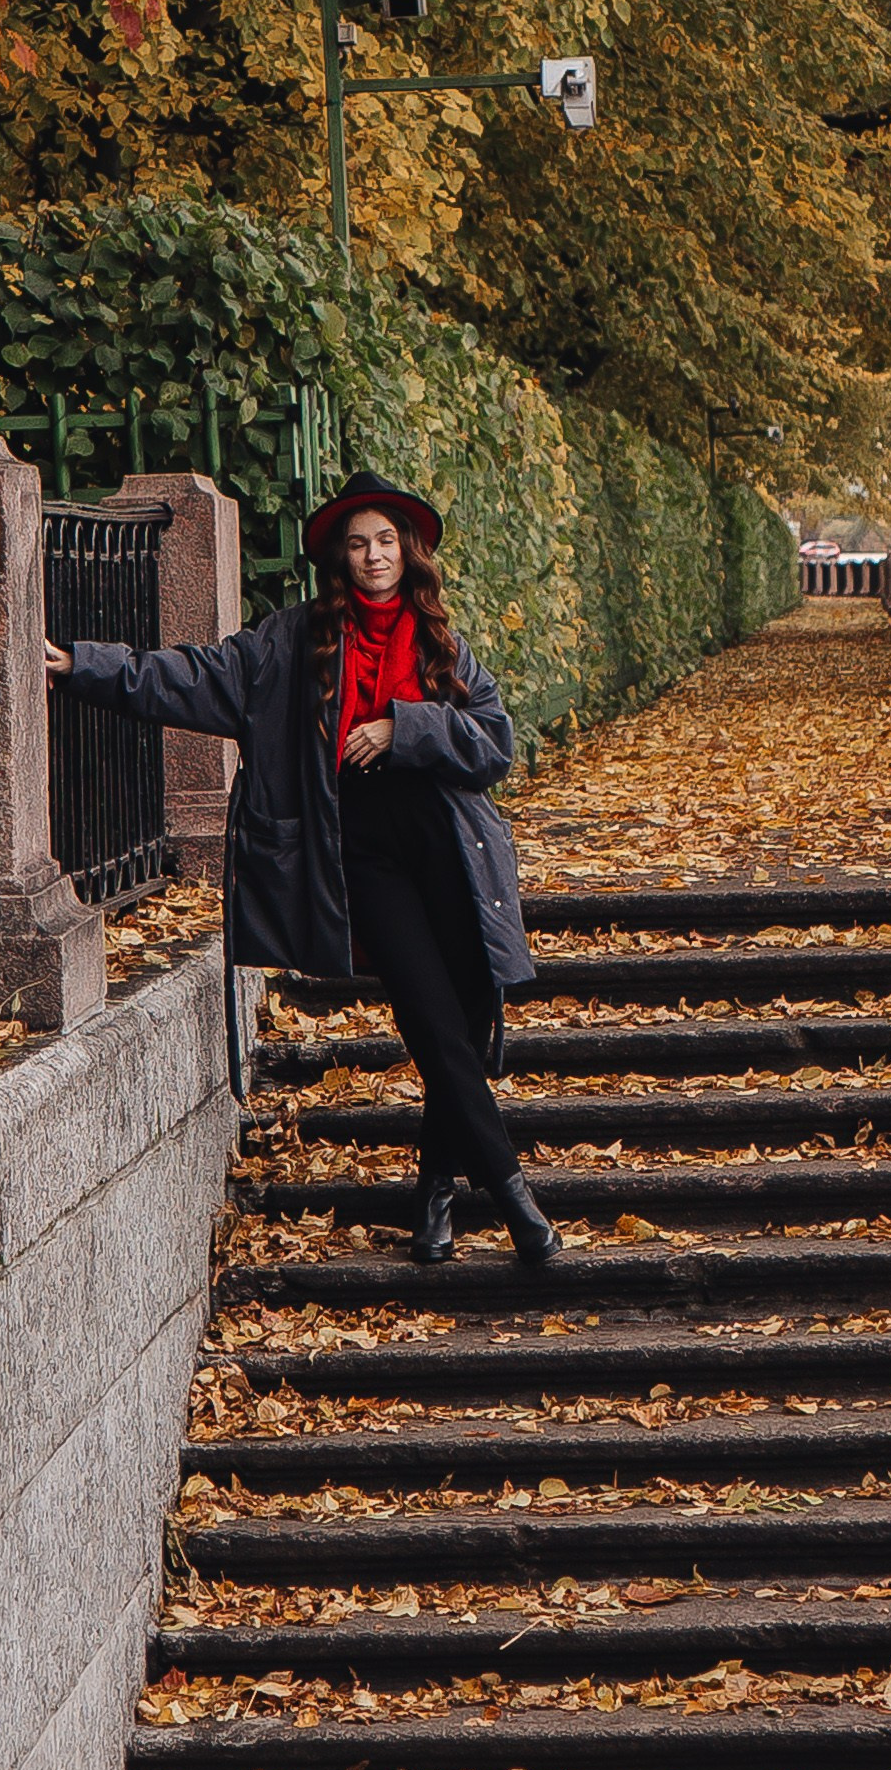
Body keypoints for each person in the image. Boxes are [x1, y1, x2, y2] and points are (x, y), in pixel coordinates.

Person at [46, 469, 560, 1269]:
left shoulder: (442, 644)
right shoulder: (292, 640)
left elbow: (494, 746)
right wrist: (83, 663)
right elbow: (193, 676)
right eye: (357, 544)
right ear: (339, 558)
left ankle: (433, 1195)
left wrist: (403, 728)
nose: (373, 555)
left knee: (457, 1025)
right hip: (362, 855)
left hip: (448, 851)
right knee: (428, 1019)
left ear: (408, 549)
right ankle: (515, 1194)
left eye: (386, 540)